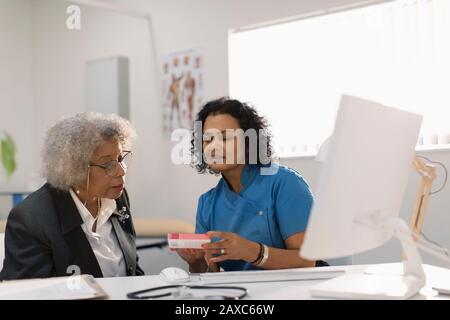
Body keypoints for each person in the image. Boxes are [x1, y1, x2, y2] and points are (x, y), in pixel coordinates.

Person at [177, 97, 322, 272]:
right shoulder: (207, 203)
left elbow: (307, 261)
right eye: (208, 140)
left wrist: (252, 252)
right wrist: (196, 262)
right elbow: (210, 277)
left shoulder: (285, 183)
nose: (215, 147)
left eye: (226, 138)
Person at [0, 113, 144, 280]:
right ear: (75, 168)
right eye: (108, 164)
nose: (122, 170)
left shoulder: (116, 196)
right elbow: (29, 292)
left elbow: (132, 271)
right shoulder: (31, 218)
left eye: (120, 158)